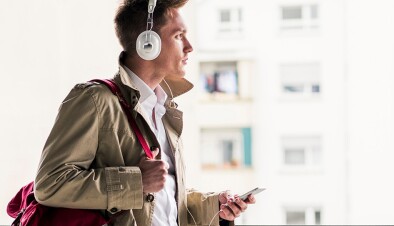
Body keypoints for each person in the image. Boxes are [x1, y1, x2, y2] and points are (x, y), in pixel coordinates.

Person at [34, 0, 256, 225]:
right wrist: (136, 182)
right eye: (179, 36)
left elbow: (160, 200)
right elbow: (50, 184)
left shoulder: (165, 112)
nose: (189, 46)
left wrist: (215, 207)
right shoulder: (95, 100)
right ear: (147, 43)